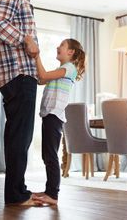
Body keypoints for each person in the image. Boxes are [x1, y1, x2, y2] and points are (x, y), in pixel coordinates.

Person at [0, 0, 49, 206]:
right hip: (18, 75)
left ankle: (18, 190)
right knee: (19, 137)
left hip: (21, 74)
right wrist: (26, 39)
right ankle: (16, 194)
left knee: (19, 137)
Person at [27, 38, 85, 206]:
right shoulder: (61, 69)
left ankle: (53, 194)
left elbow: (43, 76)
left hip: (54, 115)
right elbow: (41, 80)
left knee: (51, 155)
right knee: (47, 155)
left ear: (70, 52)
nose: (57, 47)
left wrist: (37, 56)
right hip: (49, 114)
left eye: (62, 45)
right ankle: (49, 190)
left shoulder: (69, 68)